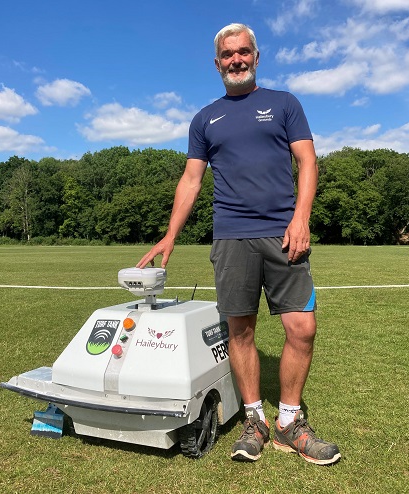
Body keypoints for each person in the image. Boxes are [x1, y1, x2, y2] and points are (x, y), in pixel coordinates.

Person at [137, 23, 340, 465]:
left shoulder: (284, 104)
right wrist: (170, 235)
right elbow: (191, 179)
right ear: (217, 63)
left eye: (243, 52)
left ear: (256, 56)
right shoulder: (205, 118)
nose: (236, 60)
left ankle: (289, 422)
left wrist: (301, 217)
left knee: (301, 328)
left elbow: (307, 160)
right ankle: (255, 421)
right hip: (231, 237)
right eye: (228, 55)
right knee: (240, 332)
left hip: (285, 235)